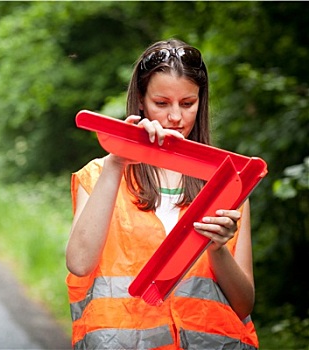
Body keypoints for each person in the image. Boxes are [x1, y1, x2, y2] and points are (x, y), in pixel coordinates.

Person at [65, 39, 259, 350]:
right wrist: (118, 160)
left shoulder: (228, 183)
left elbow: (243, 305)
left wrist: (218, 248)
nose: (175, 118)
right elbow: (79, 263)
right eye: (162, 102)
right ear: (140, 100)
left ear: (201, 102)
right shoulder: (101, 173)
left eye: (187, 103)